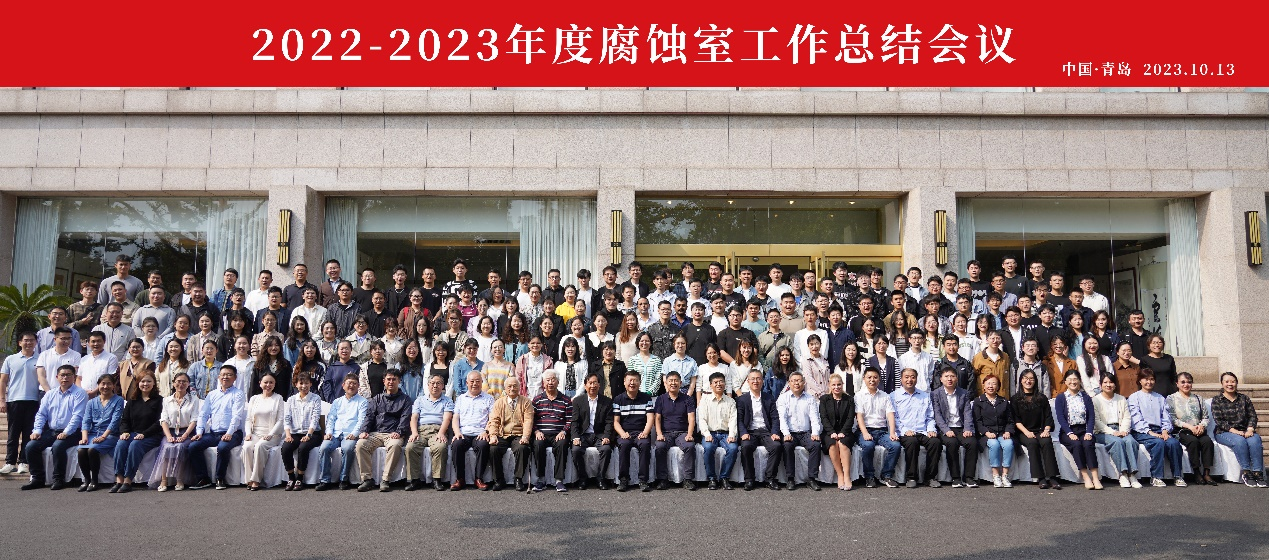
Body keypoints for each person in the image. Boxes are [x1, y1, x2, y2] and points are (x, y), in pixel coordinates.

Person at [20, 366, 88, 490]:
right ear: (57, 377)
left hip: (73, 432)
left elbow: (77, 416)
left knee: (58, 446)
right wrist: (37, 430)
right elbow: (41, 414)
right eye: (62, 375)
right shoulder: (50, 394)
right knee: (31, 446)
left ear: (74, 377)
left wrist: (66, 432)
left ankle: (58, 479)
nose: (65, 378)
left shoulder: (80, 393)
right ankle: (37, 479)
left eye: (68, 375)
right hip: (52, 431)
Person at [187, 365, 246, 490]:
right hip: (214, 433)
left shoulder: (238, 394)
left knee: (223, 447)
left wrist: (229, 433)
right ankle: (203, 478)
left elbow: (237, 416)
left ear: (235, 378)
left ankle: (220, 478)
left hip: (234, 433)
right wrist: (199, 432)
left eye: (229, 374)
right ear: (219, 377)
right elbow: (203, 414)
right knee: (193, 446)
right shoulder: (212, 394)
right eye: (223, 374)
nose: (225, 377)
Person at [355, 369, 413, 492]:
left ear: (399, 381)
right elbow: (369, 416)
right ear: (384, 381)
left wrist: (399, 432)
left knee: (395, 445)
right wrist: (364, 430)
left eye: (394, 379)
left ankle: (386, 480)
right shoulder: (377, 398)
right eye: (388, 379)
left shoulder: (405, 400)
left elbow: (405, 418)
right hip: (376, 433)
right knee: (360, 444)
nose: (391, 382)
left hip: (393, 434)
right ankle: (367, 479)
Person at [1127, 370, 1185, 487]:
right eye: (1146, 379)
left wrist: (1165, 430)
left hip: (1160, 430)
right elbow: (1136, 419)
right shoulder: (1134, 397)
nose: (1149, 382)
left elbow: (1166, 416)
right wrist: (1150, 432)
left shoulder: (1160, 398)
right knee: (1158, 443)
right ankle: (1156, 477)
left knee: (1173, 443)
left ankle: (1177, 476)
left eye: (1152, 379)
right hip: (1142, 431)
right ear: (1140, 381)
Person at [1209, 372, 1264, 487]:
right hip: (1224, 432)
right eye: (1227, 381)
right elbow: (1219, 421)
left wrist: (1250, 429)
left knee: (1255, 440)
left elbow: (1252, 416)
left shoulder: (1244, 399)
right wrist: (1235, 431)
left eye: (1233, 381)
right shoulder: (1217, 400)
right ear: (1222, 383)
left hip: (1245, 430)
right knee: (1239, 441)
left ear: (1236, 383)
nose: (1230, 384)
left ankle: (1258, 473)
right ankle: (1246, 472)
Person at [314, 373, 368, 491]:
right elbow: (331, 419)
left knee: (347, 449)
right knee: (324, 448)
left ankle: (344, 479)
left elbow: (361, 420)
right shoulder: (337, 402)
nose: (351, 386)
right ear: (343, 385)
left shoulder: (362, 402)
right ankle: (325, 480)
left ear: (358, 386)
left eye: (354, 383)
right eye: (349, 383)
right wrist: (329, 432)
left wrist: (355, 434)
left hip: (350, 434)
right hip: (335, 433)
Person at [110, 372, 162, 493]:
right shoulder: (132, 400)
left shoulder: (160, 400)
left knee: (135, 445)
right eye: (142, 381)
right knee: (121, 444)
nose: (145, 384)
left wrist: (144, 434)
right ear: (138, 383)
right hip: (134, 433)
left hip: (152, 435)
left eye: (149, 381)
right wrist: (124, 432)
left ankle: (128, 480)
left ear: (154, 383)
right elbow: (124, 420)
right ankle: (119, 479)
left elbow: (160, 422)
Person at [149, 372, 201, 491]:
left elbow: (194, 420)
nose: (181, 384)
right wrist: (168, 436)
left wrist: (185, 435)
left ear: (188, 384)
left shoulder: (194, 400)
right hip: (171, 432)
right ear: (173, 383)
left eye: (184, 382)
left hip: (187, 432)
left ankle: (179, 479)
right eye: (178, 381)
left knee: (180, 447)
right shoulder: (167, 400)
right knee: (166, 447)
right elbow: (164, 420)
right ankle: (164, 480)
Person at [891, 368, 942, 488]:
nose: (910, 380)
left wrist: (931, 430)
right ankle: (911, 477)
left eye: (913, 377)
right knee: (912, 442)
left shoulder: (924, 396)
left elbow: (930, 417)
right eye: (906, 377)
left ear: (916, 379)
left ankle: (930, 477)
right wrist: (904, 430)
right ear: (901, 379)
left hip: (922, 431)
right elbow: (894, 418)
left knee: (935, 442)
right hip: (904, 432)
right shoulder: (894, 396)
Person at [1010, 369, 1061, 489]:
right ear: (1021, 380)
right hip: (1023, 432)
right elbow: (1016, 420)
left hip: (1040, 430)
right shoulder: (1015, 399)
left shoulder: (1042, 398)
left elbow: (1048, 416)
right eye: (1025, 378)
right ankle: (1040, 478)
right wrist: (1027, 432)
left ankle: (1052, 477)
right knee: (1032, 443)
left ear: (1035, 381)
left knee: (1046, 442)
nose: (1028, 381)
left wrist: (1046, 430)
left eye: (1031, 379)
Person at [403, 373, 453, 491]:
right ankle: (414, 480)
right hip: (421, 430)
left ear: (443, 386)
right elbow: (414, 418)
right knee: (410, 447)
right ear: (428, 385)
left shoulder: (447, 401)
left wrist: (441, 433)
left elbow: (447, 418)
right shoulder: (420, 400)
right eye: (432, 383)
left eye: (438, 383)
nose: (435, 386)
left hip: (438, 430)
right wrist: (414, 432)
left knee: (440, 447)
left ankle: (437, 480)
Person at [1091, 374, 1143, 489]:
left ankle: (1132, 474)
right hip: (1102, 432)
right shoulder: (1095, 400)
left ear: (1115, 384)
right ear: (1100, 385)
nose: (1108, 385)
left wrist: (1123, 430)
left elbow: (1127, 417)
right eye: (1105, 382)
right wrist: (1112, 432)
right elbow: (1096, 421)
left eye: (1111, 382)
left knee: (1131, 441)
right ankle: (1123, 474)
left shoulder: (1121, 398)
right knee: (1117, 442)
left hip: (1120, 429)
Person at [75, 374, 124, 491]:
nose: (105, 387)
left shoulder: (118, 400)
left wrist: (103, 436)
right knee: (81, 450)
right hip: (93, 434)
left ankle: (94, 481)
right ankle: (86, 480)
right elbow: (86, 420)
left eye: (109, 384)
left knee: (92, 450)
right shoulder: (91, 402)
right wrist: (84, 437)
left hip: (110, 435)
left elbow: (115, 421)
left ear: (113, 386)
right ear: (98, 385)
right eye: (103, 384)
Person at [483, 376, 533, 492]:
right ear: (505, 388)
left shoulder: (526, 402)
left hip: (519, 434)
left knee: (522, 448)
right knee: (493, 448)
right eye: (509, 386)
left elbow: (528, 421)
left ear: (519, 387)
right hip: (503, 434)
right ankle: (499, 479)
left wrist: (525, 436)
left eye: (515, 386)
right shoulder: (499, 402)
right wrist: (493, 435)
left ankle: (518, 479)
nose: (512, 389)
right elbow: (494, 420)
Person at [1, 332, 41, 475]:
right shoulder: (11, 359)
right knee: (13, 433)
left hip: (33, 400)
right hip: (14, 400)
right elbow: (3, 381)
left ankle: (23, 462)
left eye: (32, 340)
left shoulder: (40, 359)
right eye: (26, 340)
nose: (28, 343)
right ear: (20, 343)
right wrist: (2, 400)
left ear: (36, 342)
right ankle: (10, 462)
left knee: (28, 433)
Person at [1054, 371, 1102, 490]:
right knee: (1076, 444)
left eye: (1075, 379)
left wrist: (1089, 432)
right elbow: (1061, 418)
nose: (1073, 382)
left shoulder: (1086, 397)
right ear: (1065, 382)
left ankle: (1095, 478)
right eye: (1070, 379)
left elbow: (1091, 416)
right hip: (1067, 431)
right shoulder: (1061, 398)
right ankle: (1086, 477)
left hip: (1084, 429)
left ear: (1079, 381)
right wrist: (1069, 433)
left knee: (1088, 444)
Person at [932, 366, 978, 488]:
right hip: (945, 428)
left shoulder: (964, 393)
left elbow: (967, 413)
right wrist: (946, 430)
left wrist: (967, 428)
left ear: (957, 378)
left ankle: (969, 477)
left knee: (972, 443)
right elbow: (937, 415)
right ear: (941, 379)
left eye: (952, 376)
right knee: (952, 443)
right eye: (946, 376)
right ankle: (956, 478)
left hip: (961, 427)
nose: (949, 379)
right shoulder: (935, 394)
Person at [1167, 372, 1216, 485]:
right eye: (1183, 382)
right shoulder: (1171, 398)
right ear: (1177, 383)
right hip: (1182, 431)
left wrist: (1201, 426)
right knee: (1193, 442)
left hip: (1198, 430)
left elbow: (1205, 417)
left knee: (1207, 442)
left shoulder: (1198, 398)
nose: (1186, 385)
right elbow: (1172, 419)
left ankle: (1207, 473)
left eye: (1189, 382)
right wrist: (1189, 426)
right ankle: (1196, 472)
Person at [776, 372, 822, 491]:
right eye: (793, 381)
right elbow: (782, 418)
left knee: (816, 445)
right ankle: (790, 479)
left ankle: (812, 479)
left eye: (799, 380)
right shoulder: (783, 398)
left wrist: (815, 433)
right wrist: (786, 434)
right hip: (790, 433)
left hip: (805, 433)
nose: (796, 383)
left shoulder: (810, 398)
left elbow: (814, 418)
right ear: (789, 383)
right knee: (787, 446)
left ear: (804, 382)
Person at [529, 370, 573, 493]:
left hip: (559, 434)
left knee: (562, 444)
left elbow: (570, 420)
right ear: (543, 383)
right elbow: (531, 420)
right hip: (541, 433)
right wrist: (536, 432)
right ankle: (541, 479)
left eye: (553, 379)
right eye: (547, 380)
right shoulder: (537, 400)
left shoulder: (566, 400)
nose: (550, 382)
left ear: (558, 382)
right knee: (538, 444)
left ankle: (559, 480)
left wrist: (564, 431)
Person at [450, 372, 495, 491]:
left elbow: (492, 418)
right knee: (456, 444)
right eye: (472, 381)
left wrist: (486, 431)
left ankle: (478, 479)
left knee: (483, 445)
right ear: (467, 383)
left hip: (480, 432)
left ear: (482, 382)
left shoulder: (489, 399)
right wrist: (457, 432)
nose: (475, 384)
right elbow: (455, 418)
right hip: (464, 432)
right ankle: (460, 479)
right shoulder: (460, 399)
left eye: (478, 381)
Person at [652, 371, 697, 490]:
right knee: (660, 446)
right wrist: (659, 434)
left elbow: (691, 418)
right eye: (670, 381)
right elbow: (657, 418)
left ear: (680, 383)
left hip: (682, 433)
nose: (673, 383)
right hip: (666, 433)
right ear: (666, 383)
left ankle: (688, 479)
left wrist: (689, 434)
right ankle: (662, 479)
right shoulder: (661, 399)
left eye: (676, 380)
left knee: (690, 446)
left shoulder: (687, 399)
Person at [570, 373, 615, 490]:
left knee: (606, 449)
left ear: (599, 385)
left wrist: (606, 436)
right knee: (576, 450)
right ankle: (583, 478)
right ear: (585, 385)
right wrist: (575, 437)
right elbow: (574, 422)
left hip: (599, 435)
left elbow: (609, 422)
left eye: (595, 383)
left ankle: (601, 478)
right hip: (583, 435)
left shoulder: (607, 401)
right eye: (590, 383)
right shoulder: (578, 401)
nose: (592, 386)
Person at [240, 373, 284, 490]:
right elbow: (248, 419)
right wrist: (248, 433)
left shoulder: (278, 398)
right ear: (260, 383)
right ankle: (249, 479)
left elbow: (280, 420)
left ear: (274, 384)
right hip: (255, 433)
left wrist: (270, 434)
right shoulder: (254, 399)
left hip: (272, 435)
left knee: (260, 446)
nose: (268, 385)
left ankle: (256, 479)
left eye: (271, 382)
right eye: (265, 382)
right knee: (246, 447)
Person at [612, 371, 654, 492]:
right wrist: (622, 433)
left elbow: (650, 418)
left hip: (641, 432)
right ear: (624, 382)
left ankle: (643, 480)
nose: (632, 383)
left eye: (635, 380)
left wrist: (645, 432)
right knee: (624, 445)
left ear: (640, 382)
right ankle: (623, 480)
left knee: (645, 445)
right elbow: (616, 422)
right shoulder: (618, 399)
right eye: (630, 380)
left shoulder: (646, 398)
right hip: (625, 433)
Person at [280, 374, 323, 490]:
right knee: (285, 448)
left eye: (306, 383)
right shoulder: (291, 400)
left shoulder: (316, 398)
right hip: (295, 433)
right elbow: (287, 418)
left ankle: (300, 478)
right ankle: (291, 477)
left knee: (303, 447)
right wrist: (288, 435)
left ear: (311, 384)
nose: (304, 386)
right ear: (296, 385)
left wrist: (309, 434)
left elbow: (315, 418)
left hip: (313, 433)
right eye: (301, 383)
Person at [698, 371, 739, 490]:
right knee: (709, 448)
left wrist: (732, 435)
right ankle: (712, 479)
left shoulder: (731, 401)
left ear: (725, 384)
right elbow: (702, 419)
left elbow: (733, 420)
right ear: (710, 385)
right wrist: (706, 434)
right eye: (715, 382)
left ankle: (724, 478)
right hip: (710, 433)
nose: (718, 384)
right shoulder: (705, 400)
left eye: (721, 382)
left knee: (733, 448)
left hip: (725, 434)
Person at [972, 375, 1014, 488]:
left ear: (998, 386)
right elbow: (977, 421)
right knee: (994, 445)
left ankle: (1005, 475)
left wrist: (1008, 431)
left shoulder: (1004, 401)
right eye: (988, 383)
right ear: (983, 386)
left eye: (994, 383)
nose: (991, 386)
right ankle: (996, 475)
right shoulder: (978, 401)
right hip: (987, 434)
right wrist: (986, 432)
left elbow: (1010, 420)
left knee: (1009, 444)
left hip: (1002, 432)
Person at [820, 373, 856, 491]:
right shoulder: (824, 399)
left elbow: (850, 418)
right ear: (829, 386)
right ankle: (840, 474)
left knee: (842, 443)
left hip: (846, 432)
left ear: (842, 384)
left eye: (839, 384)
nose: (836, 387)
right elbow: (824, 418)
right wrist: (831, 432)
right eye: (834, 385)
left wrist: (843, 432)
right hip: (829, 432)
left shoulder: (849, 399)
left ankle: (847, 476)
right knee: (832, 443)